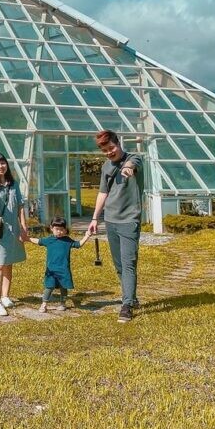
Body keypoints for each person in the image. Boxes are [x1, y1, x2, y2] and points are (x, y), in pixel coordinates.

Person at [88, 129, 144, 323]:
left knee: (129, 264)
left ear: (117, 143)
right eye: (104, 151)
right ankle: (132, 297)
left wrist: (128, 169)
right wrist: (95, 218)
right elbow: (103, 193)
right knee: (119, 265)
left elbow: (132, 164)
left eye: (111, 148)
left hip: (129, 220)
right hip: (110, 220)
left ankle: (126, 305)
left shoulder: (134, 158)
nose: (109, 153)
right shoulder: (106, 166)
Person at [0, 153, 29, 316]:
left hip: (14, 229)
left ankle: (6, 295)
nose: (0, 166)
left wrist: (23, 226)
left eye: (2, 163)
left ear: (6, 165)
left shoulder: (14, 184)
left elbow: (21, 206)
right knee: (0, 264)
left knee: (9, 262)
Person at [27, 216, 92, 312]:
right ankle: (44, 304)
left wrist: (87, 236)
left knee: (63, 287)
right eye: (57, 229)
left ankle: (63, 303)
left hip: (64, 270)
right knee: (49, 287)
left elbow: (78, 244)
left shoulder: (67, 240)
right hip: (51, 270)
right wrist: (26, 238)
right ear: (51, 228)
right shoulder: (49, 240)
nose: (59, 231)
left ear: (65, 230)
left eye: (62, 229)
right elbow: (38, 241)